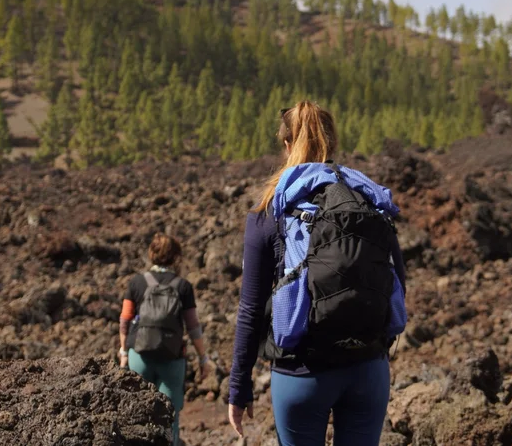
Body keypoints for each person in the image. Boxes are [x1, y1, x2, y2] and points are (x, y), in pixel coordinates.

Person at [228, 101, 408, 446]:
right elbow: (397, 277)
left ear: (286, 144)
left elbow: (251, 308)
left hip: (301, 374)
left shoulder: (270, 212)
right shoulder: (368, 201)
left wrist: (239, 386)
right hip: (368, 368)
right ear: (333, 141)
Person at [120, 233, 210, 446]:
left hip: (139, 356)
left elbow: (125, 320)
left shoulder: (137, 282)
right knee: (170, 417)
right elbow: (193, 327)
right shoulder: (183, 286)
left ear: (151, 254)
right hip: (172, 358)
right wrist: (203, 358)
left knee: (136, 415)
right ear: (176, 257)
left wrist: (123, 352)